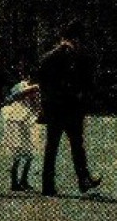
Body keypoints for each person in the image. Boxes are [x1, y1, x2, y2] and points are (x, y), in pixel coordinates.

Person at [37, 32, 101, 197]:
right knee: (75, 146)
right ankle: (83, 179)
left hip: (57, 108)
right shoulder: (72, 57)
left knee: (54, 146)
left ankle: (49, 185)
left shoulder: (48, 57)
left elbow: (42, 83)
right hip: (70, 108)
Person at [1, 79, 41, 192]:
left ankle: (23, 179)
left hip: (29, 122)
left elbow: (37, 107)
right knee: (17, 153)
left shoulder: (37, 92)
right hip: (17, 122)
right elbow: (15, 96)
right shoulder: (20, 86)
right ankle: (14, 182)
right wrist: (32, 89)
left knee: (30, 153)